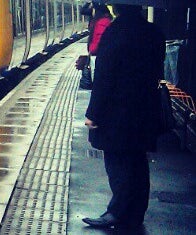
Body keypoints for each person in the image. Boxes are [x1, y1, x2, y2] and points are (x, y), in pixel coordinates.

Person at [83, 3, 166, 229]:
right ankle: (134, 213)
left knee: (118, 162)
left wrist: (93, 113)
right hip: (145, 108)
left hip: (117, 112)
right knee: (138, 162)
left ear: (117, 8)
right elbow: (158, 69)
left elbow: (105, 76)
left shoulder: (115, 32)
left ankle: (116, 213)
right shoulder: (154, 33)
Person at [88, 2, 113, 80]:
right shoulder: (104, 21)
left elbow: (99, 41)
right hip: (100, 58)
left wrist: (91, 51)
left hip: (99, 59)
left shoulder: (102, 22)